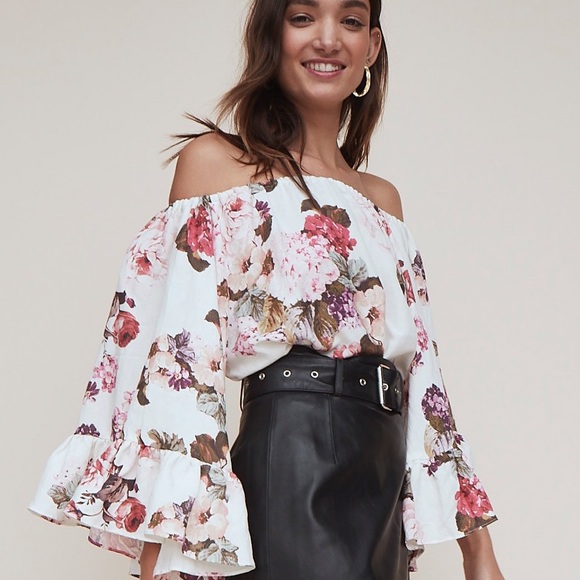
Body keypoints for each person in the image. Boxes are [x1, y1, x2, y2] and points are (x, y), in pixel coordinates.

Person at [28, 0, 504, 579]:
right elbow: (178, 361)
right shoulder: (219, 166)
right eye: (303, 17)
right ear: (272, 34)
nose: (328, 39)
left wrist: (478, 551)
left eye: (351, 21)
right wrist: (167, 551)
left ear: (372, 47)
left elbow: (423, 377)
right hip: (292, 461)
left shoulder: (383, 202)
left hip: (380, 482)